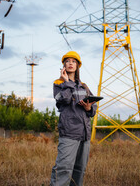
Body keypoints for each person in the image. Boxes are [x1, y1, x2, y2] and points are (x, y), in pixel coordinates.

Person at [50, 51, 97, 186]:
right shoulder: (58, 83)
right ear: (64, 65)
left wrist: (89, 108)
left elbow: (94, 107)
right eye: (68, 61)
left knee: (79, 170)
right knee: (63, 169)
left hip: (84, 134)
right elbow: (62, 99)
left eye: (74, 61)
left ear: (77, 66)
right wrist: (68, 83)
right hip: (69, 132)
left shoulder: (84, 86)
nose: (70, 63)